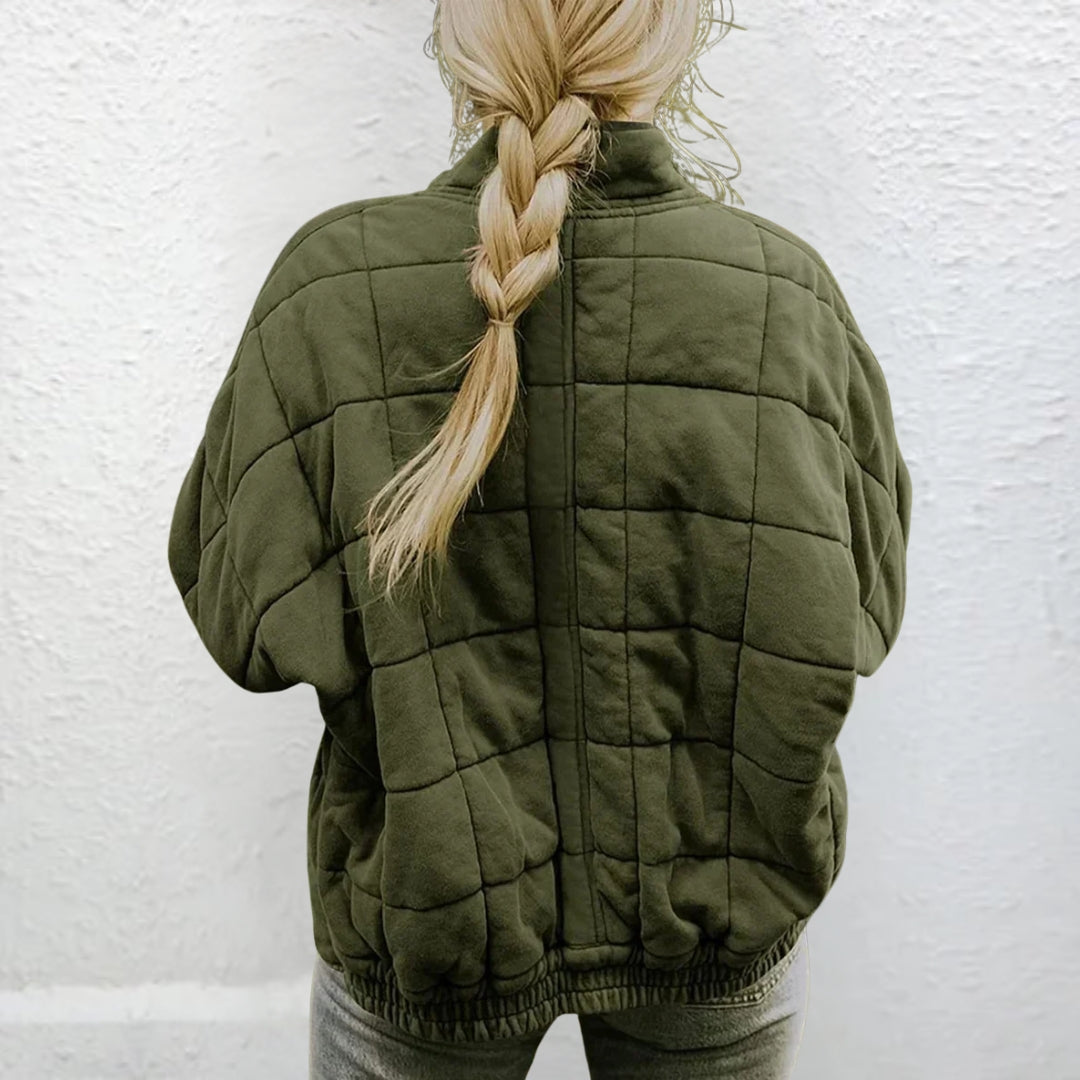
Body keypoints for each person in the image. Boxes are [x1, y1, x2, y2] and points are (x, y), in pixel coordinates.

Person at [167, 1, 912, 1076]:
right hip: (716, 918)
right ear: (673, 38)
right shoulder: (782, 299)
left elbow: (239, 618)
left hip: (431, 925)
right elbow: (866, 610)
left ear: (461, 40)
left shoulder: (331, 289)